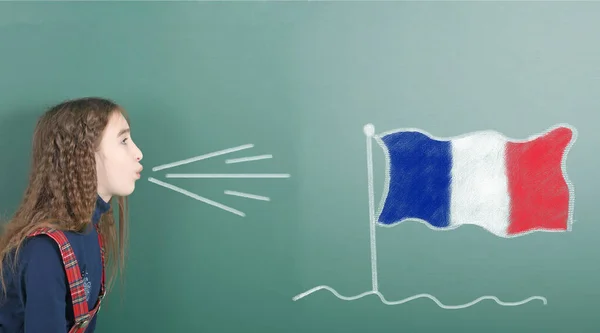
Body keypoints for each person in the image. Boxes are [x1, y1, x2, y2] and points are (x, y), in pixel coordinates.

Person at [0, 97, 144, 332]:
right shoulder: (44, 252)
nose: (138, 153)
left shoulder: (91, 232)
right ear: (83, 154)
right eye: (124, 140)